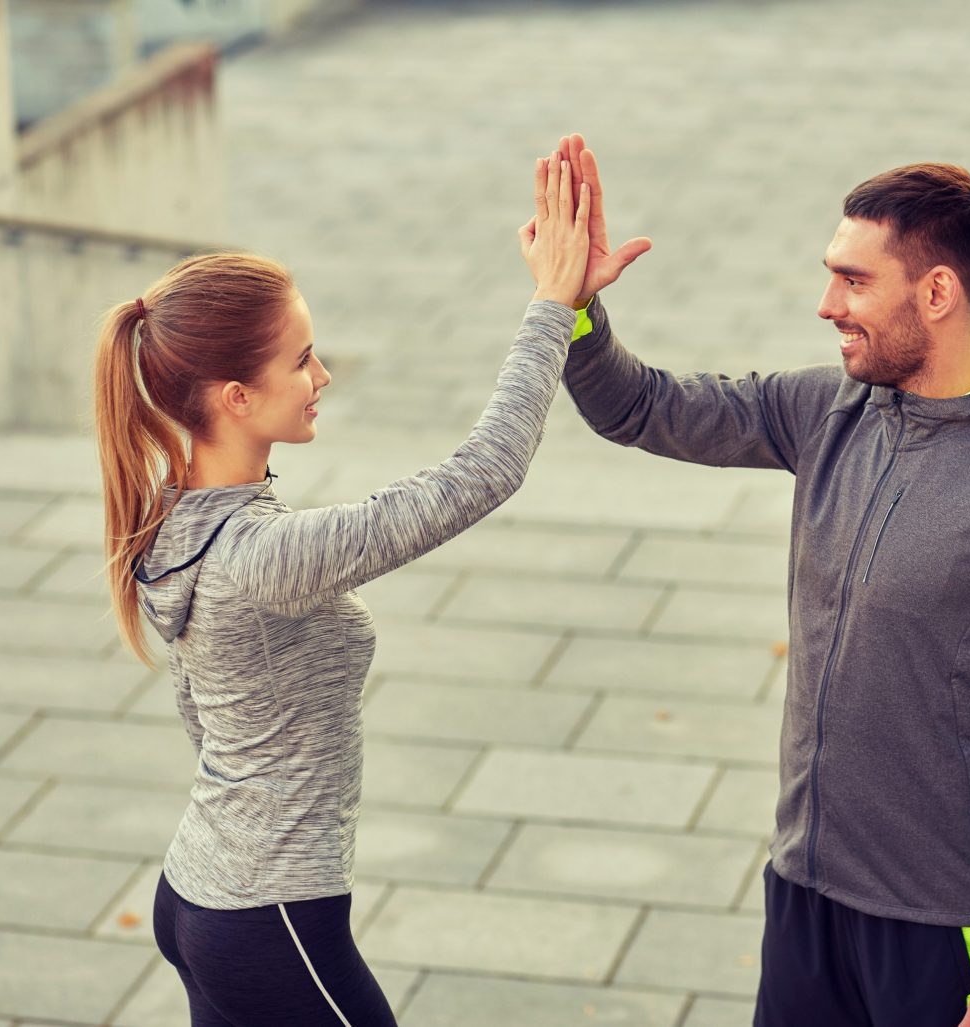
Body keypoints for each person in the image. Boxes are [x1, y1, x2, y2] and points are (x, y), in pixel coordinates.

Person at [545, 134, 970, 1027]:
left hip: (941, 927)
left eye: (854, 281)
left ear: (937, 292)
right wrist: (575, 308)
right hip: (804, 895)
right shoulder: (830, 410)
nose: (826, 304)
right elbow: (639, 407)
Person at [92, 154, 593, 1025]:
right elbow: (482, 473)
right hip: (269, 917)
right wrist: (555, 304)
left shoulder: (172, 522)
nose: (322, 376)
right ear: (239, 396)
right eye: (304, 359)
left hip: (202, 893)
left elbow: (204, 710)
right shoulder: (266, 554)